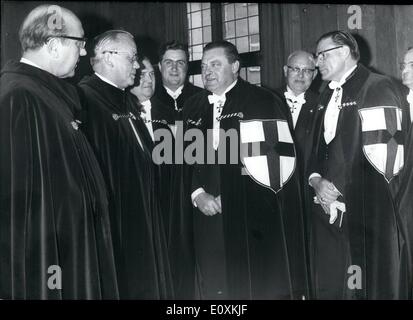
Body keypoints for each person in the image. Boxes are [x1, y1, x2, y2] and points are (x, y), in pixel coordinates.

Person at [0, 5, 118, 299]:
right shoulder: (19, 96)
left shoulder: (45, 92)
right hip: (51, 263)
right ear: (54, 45)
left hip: (70, 250)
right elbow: (18, 210)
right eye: (79, 43)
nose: (82, 53)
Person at [183, 40, 309, 299]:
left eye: (215, 64)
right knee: (214, 285)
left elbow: (274, 164)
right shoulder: (192, 106)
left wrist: (233, 196)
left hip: (250, 213)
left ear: (236, 66)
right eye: (204, 65)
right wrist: (197, 194)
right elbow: (182, 160)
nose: (207, 71)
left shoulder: (262, 100)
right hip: (206, 211)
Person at [308, 30, 410, 299]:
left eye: (322, 55)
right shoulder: (324, 95)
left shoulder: (378, 88)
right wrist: (316, 180)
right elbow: (316, 152)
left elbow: (385, 161)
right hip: (327, 210)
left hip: (365, 214)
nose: (317, 62)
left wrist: (336, 190)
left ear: (343, 52)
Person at [77, 30, 173, 299]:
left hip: (145, 217)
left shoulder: (127, 100)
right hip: (119, 225)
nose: (137, 66)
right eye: (131, 58)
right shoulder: (86, 101)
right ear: (108, 58)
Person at [130, 57, 195, 299]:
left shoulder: (170, 114)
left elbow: (185, 158)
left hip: (169, 200)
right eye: (141, 75)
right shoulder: (120, 113)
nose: (147, 80)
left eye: (151, 75)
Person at [276, 50, 319, 175]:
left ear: (314, 74)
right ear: (285, 70)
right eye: (295, 69)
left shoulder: (323, 104)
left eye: (307, 71)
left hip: (307, 182)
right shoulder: (268, 100)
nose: (300, 75)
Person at [155, 41, 202, 120]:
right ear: (160, 66)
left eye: (180, 63)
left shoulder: (202, 99)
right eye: (168, 62)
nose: (174, 68)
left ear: (187, 67)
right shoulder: (150, 99)